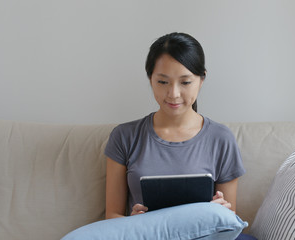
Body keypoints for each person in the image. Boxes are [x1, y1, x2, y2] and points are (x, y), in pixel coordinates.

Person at [104, 32, 246, 220]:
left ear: (201, 80)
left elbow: (230, 219)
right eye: (162, 82)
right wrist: (133, 222)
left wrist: (222, 211)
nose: (173, 94)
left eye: (185, 82)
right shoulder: (124, 136)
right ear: (150, 79)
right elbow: (112, 215)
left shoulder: (221, 139)